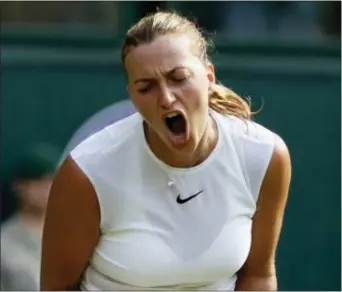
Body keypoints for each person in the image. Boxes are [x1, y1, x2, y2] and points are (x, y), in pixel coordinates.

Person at [40, 11, 291, 291]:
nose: (167, 98)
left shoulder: (264, 155)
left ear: (209, 77)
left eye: (179, 78)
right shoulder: (87, 171)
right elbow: (56, 287)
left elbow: (258, 276)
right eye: (146, 87)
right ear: (132, 97)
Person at [1, 143, 60, 290]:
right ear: (19, 186)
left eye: (52, 180)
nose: (47, 188)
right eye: (39, 181)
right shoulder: (4, 242)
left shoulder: (80, 232)